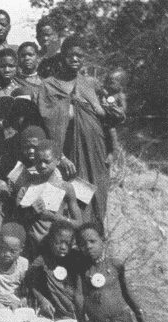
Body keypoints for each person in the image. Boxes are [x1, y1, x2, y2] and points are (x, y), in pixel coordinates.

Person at [36, 35, 111, 229]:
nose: (75, 59)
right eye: (71, 55)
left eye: (80, 55)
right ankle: (67, 247)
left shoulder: (89, 83)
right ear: (62, 57)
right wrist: (60, 156)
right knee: (69, 201)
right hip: (68, 155)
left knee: (95, 197)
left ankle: (93, 241)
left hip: (95, 152)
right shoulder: (49, 85)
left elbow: (103, 116)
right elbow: (47, 123)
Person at [76, 223, 163, 322]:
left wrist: (140, 317)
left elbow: (127, 293)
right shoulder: (82, 271)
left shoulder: (115, 265)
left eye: (92, 241)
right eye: (83, 244)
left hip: (119, 320)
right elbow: (79, 297)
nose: (88, 246)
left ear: (103, 241)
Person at [15, 140, 81, 261]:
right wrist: (31, 212)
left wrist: (55, 217)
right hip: (32, 247)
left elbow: (79, 223)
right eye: (39, 161)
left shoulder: (65, 187)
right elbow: (17, 221)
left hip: (57, 246)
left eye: (47, 161)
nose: (42, 165)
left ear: (57, 161)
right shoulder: (26, 188)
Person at [25, 220, 81, 322]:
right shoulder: (42, 260)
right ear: (50, 240)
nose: (63, 247)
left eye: (67, 243)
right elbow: (29, 281)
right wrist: (42, 299)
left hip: (68, 315)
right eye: (58, 242)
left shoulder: (74, 260)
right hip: (48, 313)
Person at [101, 68, 128, 158]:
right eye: (107, 82)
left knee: (112, 142)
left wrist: (114, 108)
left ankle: (111, 157)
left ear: (121, 85)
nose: (108, 85)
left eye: (112, 83)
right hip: (103, 122)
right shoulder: (107, 94)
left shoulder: (120, 96)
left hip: (111, 124)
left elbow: (123, 109)